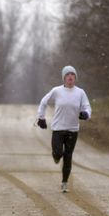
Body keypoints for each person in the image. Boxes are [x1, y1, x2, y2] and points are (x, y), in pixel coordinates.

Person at [36, 65, 91, 193]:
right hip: (58, 128)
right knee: (58, 153)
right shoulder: (57, 91)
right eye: (67, 75)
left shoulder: (80, 92)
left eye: (72, 74)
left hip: (72, 129)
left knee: (68, 156)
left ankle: (64, 182)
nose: (70, 77)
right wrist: (41, 118)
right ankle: (56, 156)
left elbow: (87, 107)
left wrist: (86, 114)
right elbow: (44, 102)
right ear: (64, 78)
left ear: (75, 77)